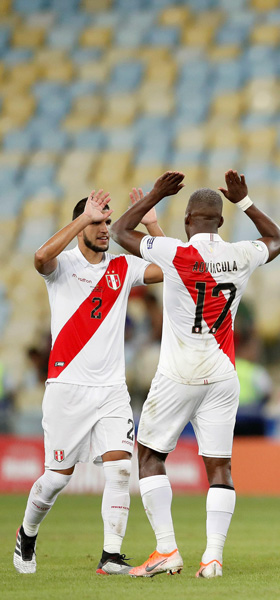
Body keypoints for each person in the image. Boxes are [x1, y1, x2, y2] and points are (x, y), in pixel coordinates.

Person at [111, 169, 280, 578]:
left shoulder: (175, 252)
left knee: (151, 456)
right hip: (223, 375)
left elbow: (121, 231)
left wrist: (154, 195)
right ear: (221, 221)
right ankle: (213, 559)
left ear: (188, 220)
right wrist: (245, 201)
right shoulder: (241, 253)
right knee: (220, 467)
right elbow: (279, 240)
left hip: (178, 374)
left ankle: (167, 550)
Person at [13, 188, 167, 575]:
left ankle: (110, 556)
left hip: (112, 389)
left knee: (119, 469)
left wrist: (150, 222)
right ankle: (27, 534)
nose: (103, 229)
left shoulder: (122, 267)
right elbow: (39, 258)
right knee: (54, 480)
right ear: (81, 225)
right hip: (67, 388)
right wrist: (82, 218)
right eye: (96, 222)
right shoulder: (62, 265)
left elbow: (169, 268)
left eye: (106, 223)